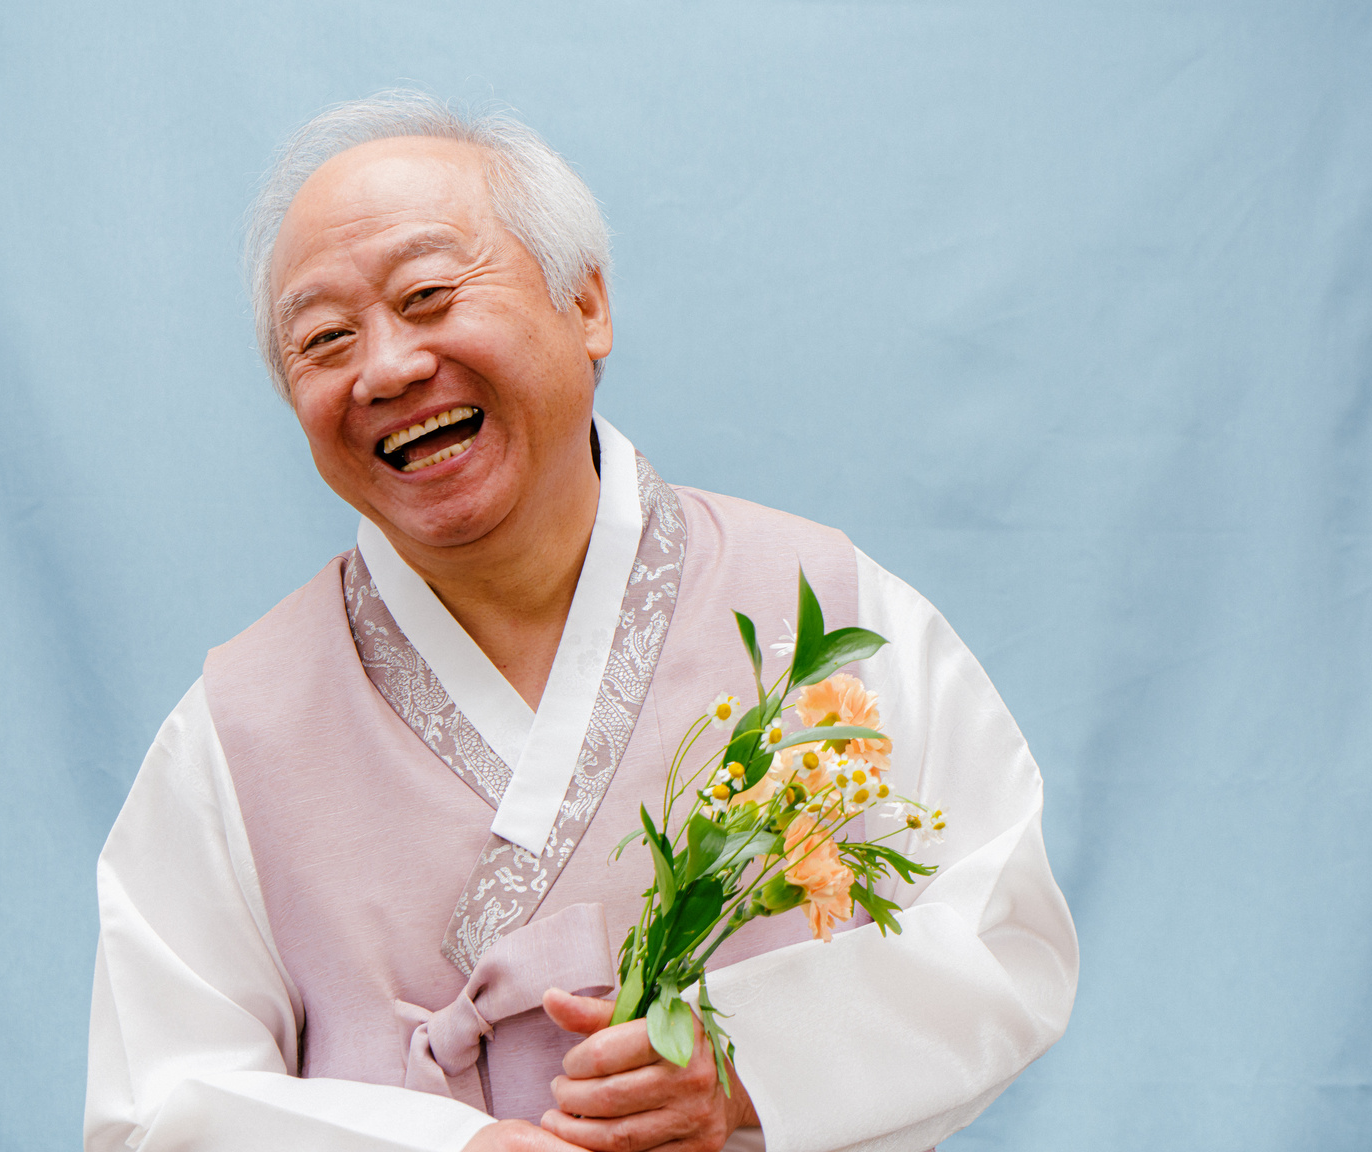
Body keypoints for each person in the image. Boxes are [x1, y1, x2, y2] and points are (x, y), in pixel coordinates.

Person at [83, 91, 1078, 1152]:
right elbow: (157, 1105)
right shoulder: (239, 726)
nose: (386, 369)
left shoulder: (818, 608)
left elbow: (1002, 936)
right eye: (325, 338)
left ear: (587, 304)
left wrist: (749, 1069)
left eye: (426, 295)